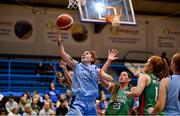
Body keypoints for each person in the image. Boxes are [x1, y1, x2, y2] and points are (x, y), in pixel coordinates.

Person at [56, 27, 118, 115]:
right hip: (78, 101)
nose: (84, 54)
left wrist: (103, 74)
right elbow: (62, 53)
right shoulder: (77, 66)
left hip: (92, 104)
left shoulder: (95, 69)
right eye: (83, 53)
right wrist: (58, 35)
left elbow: (110, 78)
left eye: (87, 53)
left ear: (92, 58)